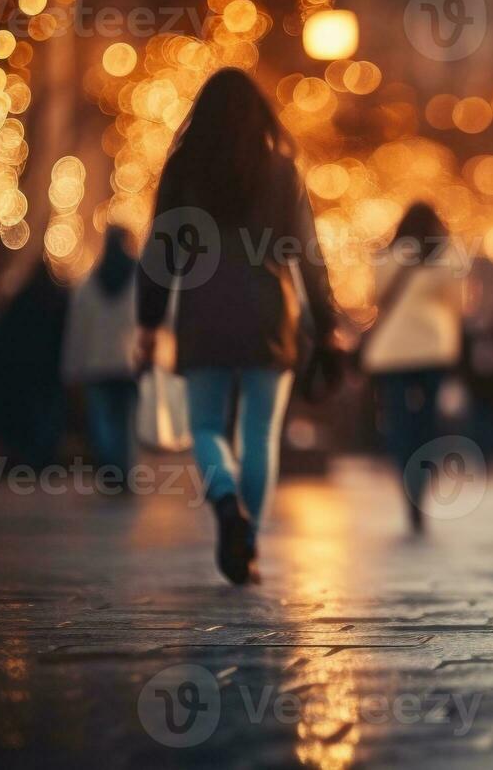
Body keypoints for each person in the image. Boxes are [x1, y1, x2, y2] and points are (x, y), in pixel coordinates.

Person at [137, 68, 341, 585]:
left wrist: (149, 320)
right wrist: (327, 318)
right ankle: (247, 546)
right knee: (259, 435)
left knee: (204, 428)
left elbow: (160, 252)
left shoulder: (183, 168)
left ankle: (226, 505)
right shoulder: (281, 171)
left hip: (204, 309)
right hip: (270, 312)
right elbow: (308, 255)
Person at [363, 202, 465, 535]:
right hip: (433, 349)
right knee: (427, 424)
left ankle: (406, 485)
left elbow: (376, 297)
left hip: (392, 353)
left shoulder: (388, 256)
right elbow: (457, 304)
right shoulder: (448, 256)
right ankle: (421, 487)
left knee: (398, 424)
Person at [62, 227, 141, 480]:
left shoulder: (88, 284)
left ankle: (111, 467)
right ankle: (124, 468)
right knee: (126, 421)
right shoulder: (138, 281)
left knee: (102, 421)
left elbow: (77, 330)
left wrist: (71, 366)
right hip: (128, 362)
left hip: (96, 365)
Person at [0, 261, 69, 467]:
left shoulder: (21, 301)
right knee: (48, 412)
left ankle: (32, 455)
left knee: (31, 412)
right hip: (50, 369)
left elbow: (4, 339)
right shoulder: (58, 300)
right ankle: (46, 455)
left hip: (25, 369)